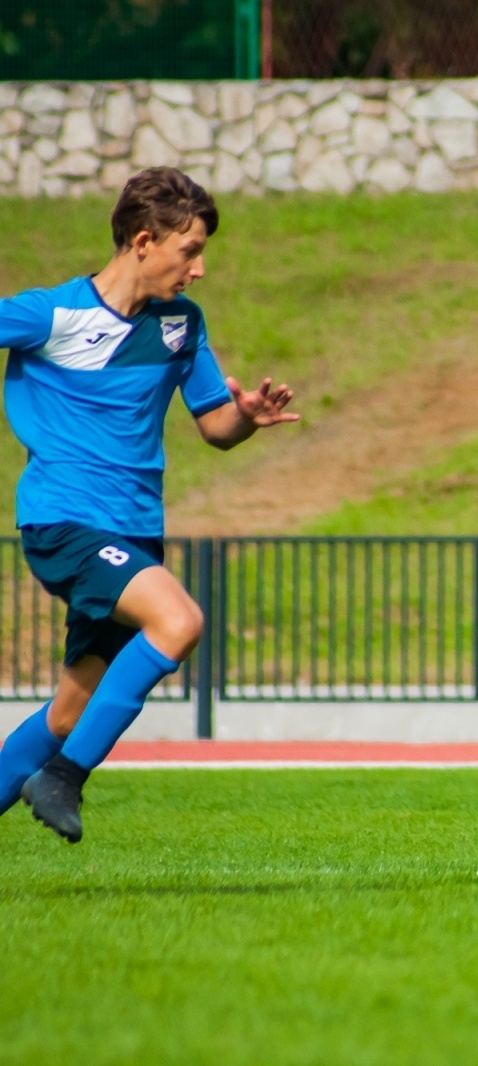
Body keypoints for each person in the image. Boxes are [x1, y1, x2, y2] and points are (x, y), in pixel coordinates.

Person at [0, 167, 298, 842]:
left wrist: (248, 417)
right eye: (189, 250)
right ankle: (65, 779)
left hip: (135, 538)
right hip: (64, 523)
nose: (199, 269)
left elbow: (215, 426)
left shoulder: (179, 327)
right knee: (180, 619)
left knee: (68, 715)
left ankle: (56, 760)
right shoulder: (53, 315)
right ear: (142, 241)